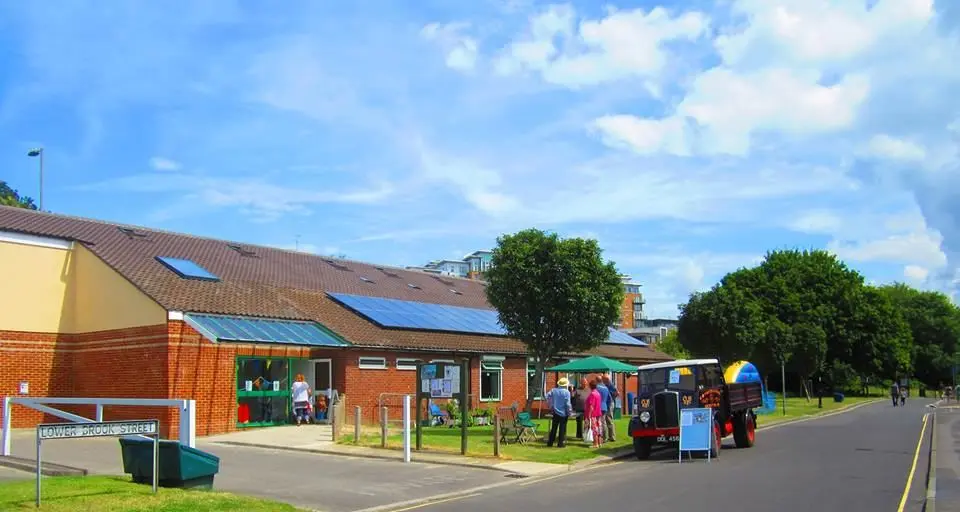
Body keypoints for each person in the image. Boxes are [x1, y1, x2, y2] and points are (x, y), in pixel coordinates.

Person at [545, 377, 573, 448]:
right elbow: (567, 404)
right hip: (564, 413)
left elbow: (546, 396)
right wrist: (569, 412)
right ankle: (560, 443)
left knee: (554, 428)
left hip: (555, 412)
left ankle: (550, 442)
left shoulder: (553, 390)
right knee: (562, 429)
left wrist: (550, 405)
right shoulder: (567, 392)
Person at [585, 379, 603, 448]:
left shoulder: (592, 394)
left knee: (594, 429)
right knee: (599, 428)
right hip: (598, 413)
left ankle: (595, 444)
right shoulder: (598, 393)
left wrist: (589, 415)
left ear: (590, 386)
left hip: (593, 414)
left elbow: (591, 406)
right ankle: (600, 442)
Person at [601, 373, 618, 442]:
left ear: (606, 379)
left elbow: (617, 393)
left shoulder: (610, 385)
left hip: (610, 403)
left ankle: (611, 437)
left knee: (608, 420)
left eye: (603, 379)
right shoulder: (606, 384)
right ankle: (610, 437)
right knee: (608, 420)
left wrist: (612, 398)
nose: (602, 380)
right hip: (608, 403)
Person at [596, 376, 611, 442]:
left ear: (596, 380)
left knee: (597, 422)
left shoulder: (597, 388)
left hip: (597, 406)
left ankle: (599, 437)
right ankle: (605, 437)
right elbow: (609, 399)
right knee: (603, 422)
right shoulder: (606, 388)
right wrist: (607, 406)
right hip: (604, 406)